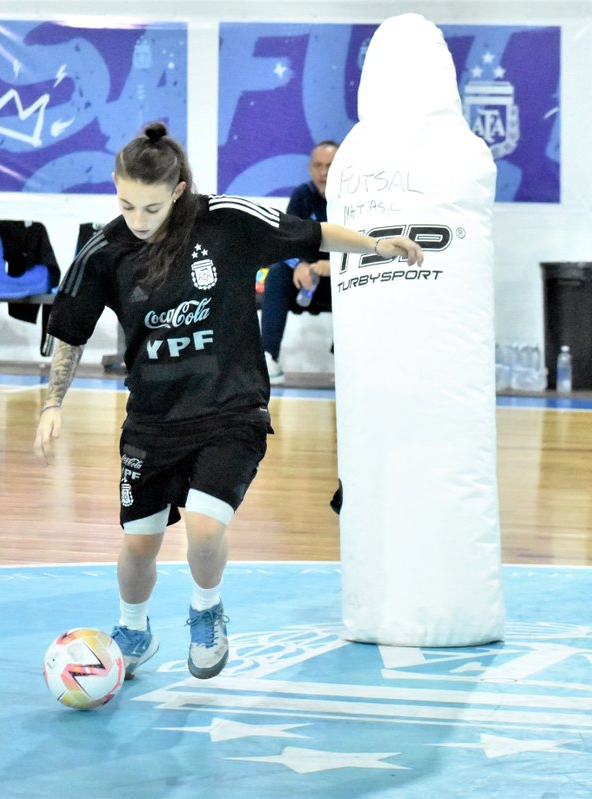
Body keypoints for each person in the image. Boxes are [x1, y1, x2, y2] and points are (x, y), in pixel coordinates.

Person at [33, 122, 423, 679]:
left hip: (230, 409)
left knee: (205, 528)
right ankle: (135, 632)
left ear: (179, 190)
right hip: (152, 421)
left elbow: (313, 236)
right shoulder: (105, 250)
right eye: (126, 205)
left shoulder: (227, 221)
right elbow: (71, 331)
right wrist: (53, 404)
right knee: (139, 545)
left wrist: (378, 245)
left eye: (151, 208)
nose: (138, 222)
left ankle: (206, 611)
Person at [260, 140, 338, 385]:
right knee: (278, 272)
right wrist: (300, 265)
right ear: (310, 168)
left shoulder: (355, 198)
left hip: (340, 280)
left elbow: (365, 249)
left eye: (331, 166)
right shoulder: (303, 195)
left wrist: (333, 268)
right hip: (307, 281)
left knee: (360, 286)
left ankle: (345, 362)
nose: (324, 172)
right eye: (318, 166)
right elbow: (285, 241)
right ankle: (268, 357)